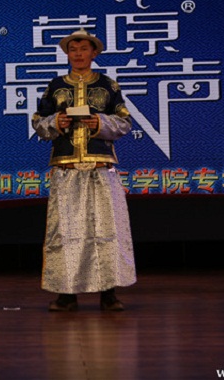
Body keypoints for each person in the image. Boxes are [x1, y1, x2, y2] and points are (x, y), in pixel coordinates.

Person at [32, 28, 136, 312]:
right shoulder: (56, 86)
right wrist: (57, 122)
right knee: (65, 231)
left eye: (83, 49)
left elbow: (125, 123)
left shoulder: (108, 85)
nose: (78, 54)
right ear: (67, 54)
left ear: (94, 53)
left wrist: (100, 123)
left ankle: (108, 293)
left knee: (107, 229)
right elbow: (38, 121)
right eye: (73, 49)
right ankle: (66, 294)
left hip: (100, 167)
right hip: (66, 168)